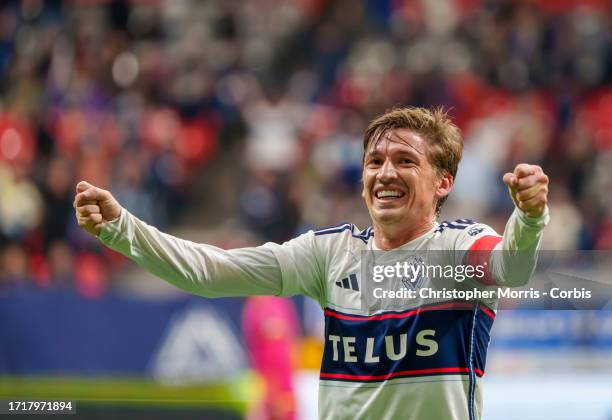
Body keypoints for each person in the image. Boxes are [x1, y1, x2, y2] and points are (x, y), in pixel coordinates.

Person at [74, 107, 549, 420]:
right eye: (374, 161)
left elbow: (511, 268)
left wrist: (529, 216)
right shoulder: (329, 254)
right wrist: (123, 229)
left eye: (405, 160)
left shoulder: (460, 250)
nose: (384, 173)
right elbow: (211, 272)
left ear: (443, 182)